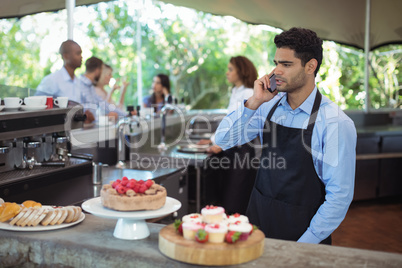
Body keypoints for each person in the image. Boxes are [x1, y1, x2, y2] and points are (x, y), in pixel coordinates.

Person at [215, 27, 357, 245]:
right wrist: (253, 102)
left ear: (310, 66)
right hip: (258, 226)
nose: (276, 71)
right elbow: (223, 140)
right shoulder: (266, 106)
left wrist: (302, 247)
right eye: (276, 63)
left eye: (286, 64)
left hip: (303, 236)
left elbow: (339, 198)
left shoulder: (335, 122)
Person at [199, 56, 258, 215]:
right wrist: (213, 139)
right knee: (224, 198)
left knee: (235, 201)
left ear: (242, 71)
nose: (227, 73)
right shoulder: (236, 91)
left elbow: (242, 124)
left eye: (230, 69)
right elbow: (229, 121)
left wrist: (220, 144)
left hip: (242, 151)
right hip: (231, 149)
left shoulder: (249, 92)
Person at [78, 57, 126, 122]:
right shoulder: (78, 85)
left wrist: (126, 114)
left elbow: (104, 105)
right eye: (102, 70)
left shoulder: (90, 87)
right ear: (97, 70)